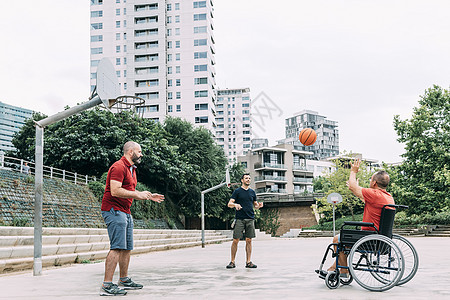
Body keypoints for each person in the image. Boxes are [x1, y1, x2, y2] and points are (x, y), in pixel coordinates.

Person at [99, 141, 165, 296]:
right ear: (130, 152)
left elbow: (130, 190)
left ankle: (123, 279)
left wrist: (147, 196)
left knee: (127, 247)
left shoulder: (131, 169)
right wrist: (136, 194)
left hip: (125, 211)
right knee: (116, 247)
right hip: (113, 210)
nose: (141, 154)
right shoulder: (119, 167)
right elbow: (115, 191)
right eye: (139, 151)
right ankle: (106, 286)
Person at [327, 159, 394, 276]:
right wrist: (355, 188)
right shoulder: (387, 197)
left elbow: (354, 188)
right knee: (344, 240)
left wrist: (353, 171)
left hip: (369, 237)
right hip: (379, 237)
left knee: (337, 239)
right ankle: (334, 267)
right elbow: (362, 197)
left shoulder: (375, 194)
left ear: (374, 183)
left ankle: (343, 270)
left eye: (370, 179)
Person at [226, 173, 263, 269]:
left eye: (249, 178)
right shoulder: (237, 191)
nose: (248, 180)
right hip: (239, 219)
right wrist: (235, 205)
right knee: (235, 240)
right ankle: (232, 261)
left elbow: (254, 204)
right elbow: (229, 204)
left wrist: (258, 206)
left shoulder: (252, 192)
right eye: (246, 178)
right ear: (242, 180)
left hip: (250, 218)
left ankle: (248, 262)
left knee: (249, 240)